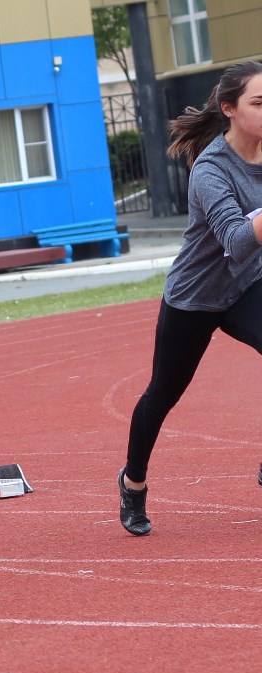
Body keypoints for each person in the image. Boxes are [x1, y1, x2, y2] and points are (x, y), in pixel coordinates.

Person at [118, 60, 262, 536]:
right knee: (163, 394)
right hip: (196, 295)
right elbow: (236, 243)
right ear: (229, 110)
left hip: (248, 285)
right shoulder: (210, 169)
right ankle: (133, 485)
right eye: (259, 103)